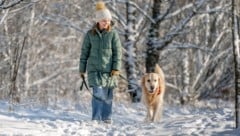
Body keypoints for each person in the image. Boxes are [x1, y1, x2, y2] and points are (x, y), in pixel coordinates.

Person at [79, 1, 122, 124]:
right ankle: (96, 118)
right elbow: (84, 53)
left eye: (108, 20)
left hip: (109, 71)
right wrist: (82, 70)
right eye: (104, 20)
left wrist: (116, 68)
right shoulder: (90, 35)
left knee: (108, 96)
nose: (106, 23)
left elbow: (118, 53)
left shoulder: (113, 34)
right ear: (98, 21)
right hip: (94, 70)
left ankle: (106, 118)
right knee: (97, 94)